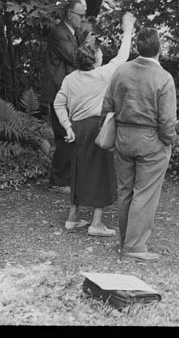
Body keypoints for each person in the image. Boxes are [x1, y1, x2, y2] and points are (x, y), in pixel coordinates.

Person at [53, 12, 136, 236]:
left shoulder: (70, 79)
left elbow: (58, 104)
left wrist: (68, 126)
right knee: (102, 172)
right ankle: (96, 224)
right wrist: (128, 29)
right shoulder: (102, 75)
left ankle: (72, 218)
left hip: (78, 130)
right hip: (98, 128)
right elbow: (123, 56)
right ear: (96, 60)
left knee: (78, 171)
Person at [102, 27, 177, 262]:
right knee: (144, 193)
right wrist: (167, 141)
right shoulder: (163, 78)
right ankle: (134, 249)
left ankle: (127, 241)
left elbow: (106, 106)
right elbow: (167, 121)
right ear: (160, 48)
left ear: (137, 47)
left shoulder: (122, 71)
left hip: (123, 138)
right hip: (151, 141)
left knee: (125, 191)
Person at [40, 0, 88, 193]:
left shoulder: (69, 33)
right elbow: (75, 57)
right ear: (70, 14)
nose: (82, 19)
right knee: (63, 136)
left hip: (64, 92)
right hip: (58, 93)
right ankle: (58, 182)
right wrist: (89, 45)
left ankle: (66, 178)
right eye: (80, 15)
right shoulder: (60, 33)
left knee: (68, 135)